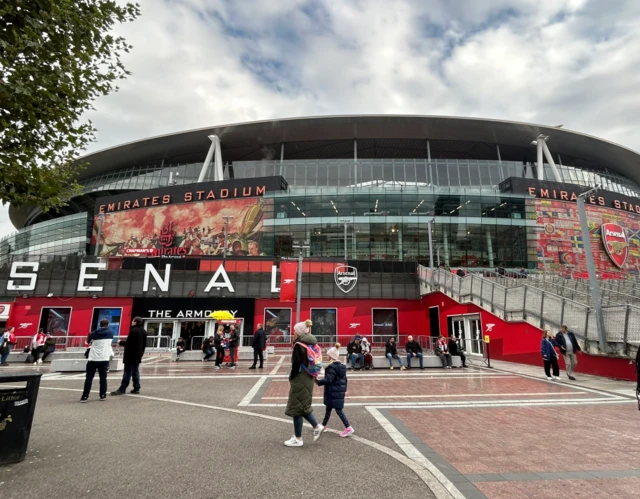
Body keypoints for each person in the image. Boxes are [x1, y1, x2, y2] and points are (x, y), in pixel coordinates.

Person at [284, 320, 324, 447]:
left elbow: (296, 364)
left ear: (299, 332)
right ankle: (317, 426)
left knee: (297, 407)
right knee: (303, 405)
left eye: (294, 331)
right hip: (309, 376)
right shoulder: (311, 342)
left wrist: (291, 377)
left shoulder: (299, 345)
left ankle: (298, 438)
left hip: (300, 377)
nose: (293, 333)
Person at [316, 346, 354, 438]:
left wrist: (317, 381)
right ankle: (323, 425)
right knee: (328, 408)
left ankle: (348, 427)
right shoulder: (341, 367)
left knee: (338, 410)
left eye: (328, 355)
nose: (327, 357)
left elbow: (328, 380)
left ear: (331, 356)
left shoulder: (331, 368)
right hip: (338, 391)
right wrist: (344, 390)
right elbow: (345, 380)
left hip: (333, 391)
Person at [111, 317, 147, 396]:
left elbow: (129, 343)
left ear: (135, 322)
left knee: (127, 372)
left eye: (133, 321)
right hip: (138, 355)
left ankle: (122, 388)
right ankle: (136, 387)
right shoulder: (144, 331)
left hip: (130, 355)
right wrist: (141, 353)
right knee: (135, 371)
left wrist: (120, 342)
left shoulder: (133, 331)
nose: (131, 322)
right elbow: (144, 344)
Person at [81, 318, 114, 402]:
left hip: (93, 358)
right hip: (104, 358)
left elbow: (88, 342)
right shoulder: (110, 333)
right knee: (103, 378)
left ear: (100, 324)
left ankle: (85, 396)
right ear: (108, 325)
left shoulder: (94, 333)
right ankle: (103, 395)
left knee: (89, 378)